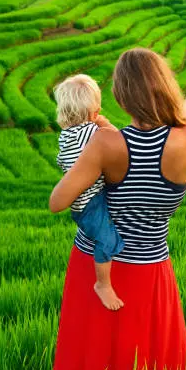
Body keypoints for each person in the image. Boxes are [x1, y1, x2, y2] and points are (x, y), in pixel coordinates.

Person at [50, 48, 186, 370]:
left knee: (93, 360)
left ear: (120, 99)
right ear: (166, 88)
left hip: (95, 267)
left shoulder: (107, 143)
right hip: (151, 269)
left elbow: (58, 201)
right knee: (152, 363)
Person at [54, 74, 125, 311]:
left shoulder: (66, 136)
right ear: (94, 112)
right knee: (106, 238)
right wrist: (103, 123)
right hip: (90, 204)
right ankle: (103, 284)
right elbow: (119, 139)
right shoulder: (91, 132)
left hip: (83, 203)